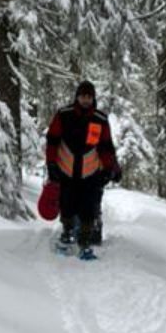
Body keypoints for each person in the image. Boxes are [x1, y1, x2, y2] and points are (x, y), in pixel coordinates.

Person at [45, 81, 122, 253]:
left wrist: (109, 169)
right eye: (83, 96)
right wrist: (51, 164)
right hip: (66, 169)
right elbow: (52, 140)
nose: (86, 99)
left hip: (90, 172)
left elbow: (106, 147)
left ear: (93, 98)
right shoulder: (64, 115)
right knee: (67, 203)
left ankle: (85, 240)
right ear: (77, 97)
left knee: (89, 205)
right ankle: (67, 233)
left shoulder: (100, 119)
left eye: (89, 96)